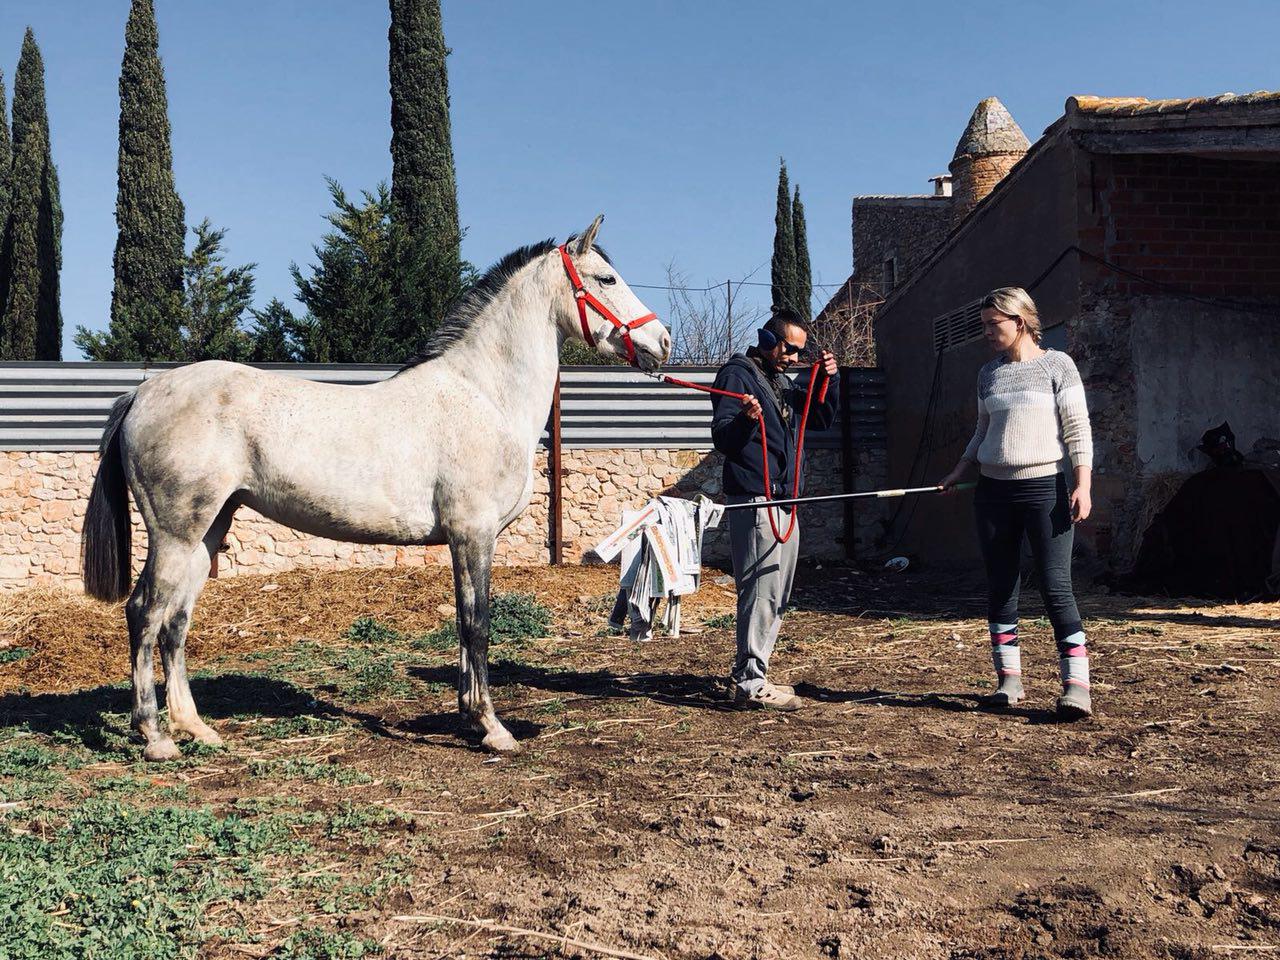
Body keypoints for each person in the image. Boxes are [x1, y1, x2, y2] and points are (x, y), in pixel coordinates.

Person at [939, 287, 1094, 719]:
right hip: (993, 493)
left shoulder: (1057, 366)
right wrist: (959, 470)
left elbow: (1077, 429)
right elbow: (981, 430)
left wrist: (1082, 485)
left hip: (1045, 490)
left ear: (1019, 322)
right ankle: (1009, 681)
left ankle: (1076, 686)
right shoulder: (988, 374)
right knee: (1002, 584)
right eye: (984, 324)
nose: (986, 332)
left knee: (1055, 585)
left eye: (993, 324)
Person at [710, 308, 839, 710]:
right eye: (789, 349)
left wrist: (829, 381)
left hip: (786, 497)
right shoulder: (739, 374)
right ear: (769, 340)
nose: (793, 358)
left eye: (800, 353)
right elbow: (723, 438)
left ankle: (754, 673)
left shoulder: (777, 381)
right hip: (756, 497)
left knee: (778, 592)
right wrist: (747, 421)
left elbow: (818, 417)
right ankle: (750, 682)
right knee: (760, 590)